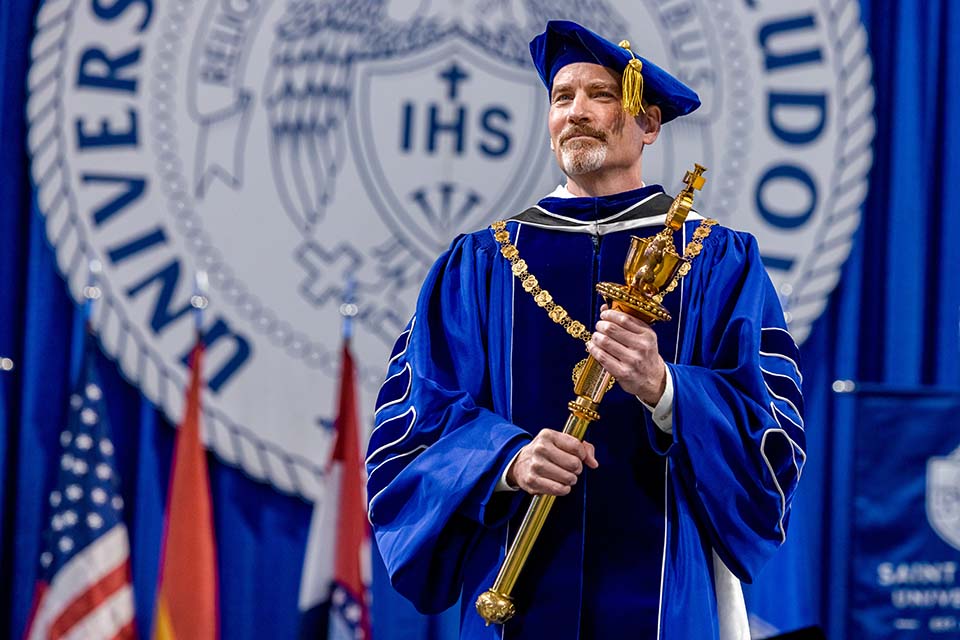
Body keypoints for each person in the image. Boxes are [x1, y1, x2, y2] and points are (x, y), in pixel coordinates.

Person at [366, 20, 806, 640]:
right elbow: (414, 426)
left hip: (661, 592)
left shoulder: (717, 260)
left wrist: (667, 390)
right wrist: (505, 458)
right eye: (561, 98)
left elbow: (772, 433)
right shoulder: (479, 265)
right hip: (511, 588)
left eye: (601, 95)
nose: (577, 112)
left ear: (649, 124)